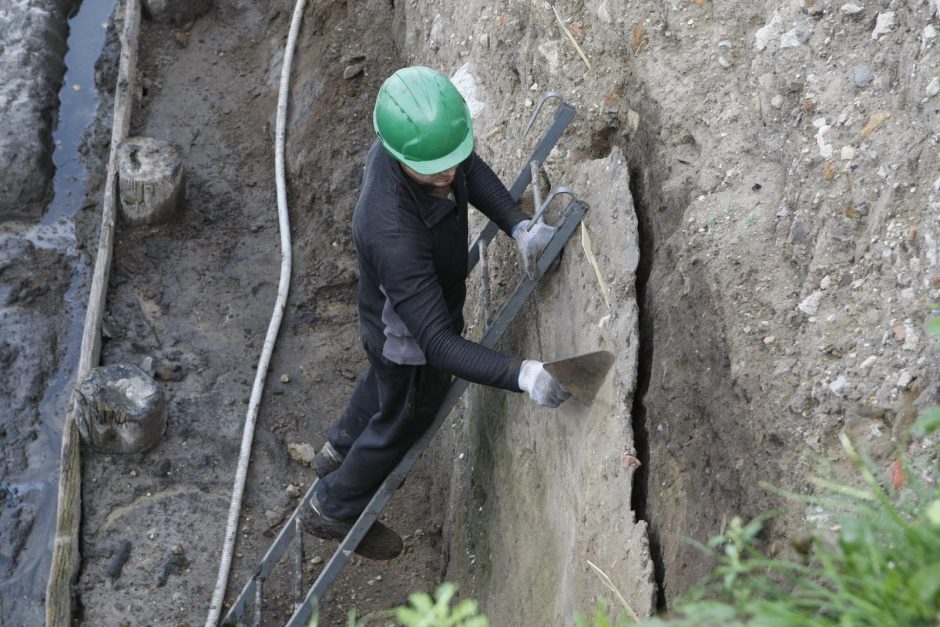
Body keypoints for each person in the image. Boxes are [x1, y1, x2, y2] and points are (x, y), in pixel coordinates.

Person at [300, 66, 570, 559]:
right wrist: (524, 375)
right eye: (436, 169)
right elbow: (439, 346)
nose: (449, 174)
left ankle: (339, 446)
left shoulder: (423, 144)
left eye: (453, 157)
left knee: (383, 383)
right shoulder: (392, 230)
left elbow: (467, 169)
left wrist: (517, 224)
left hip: (395, 309)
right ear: (403, 156)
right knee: (406, 414)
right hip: (406, 338)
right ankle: (333, 508)